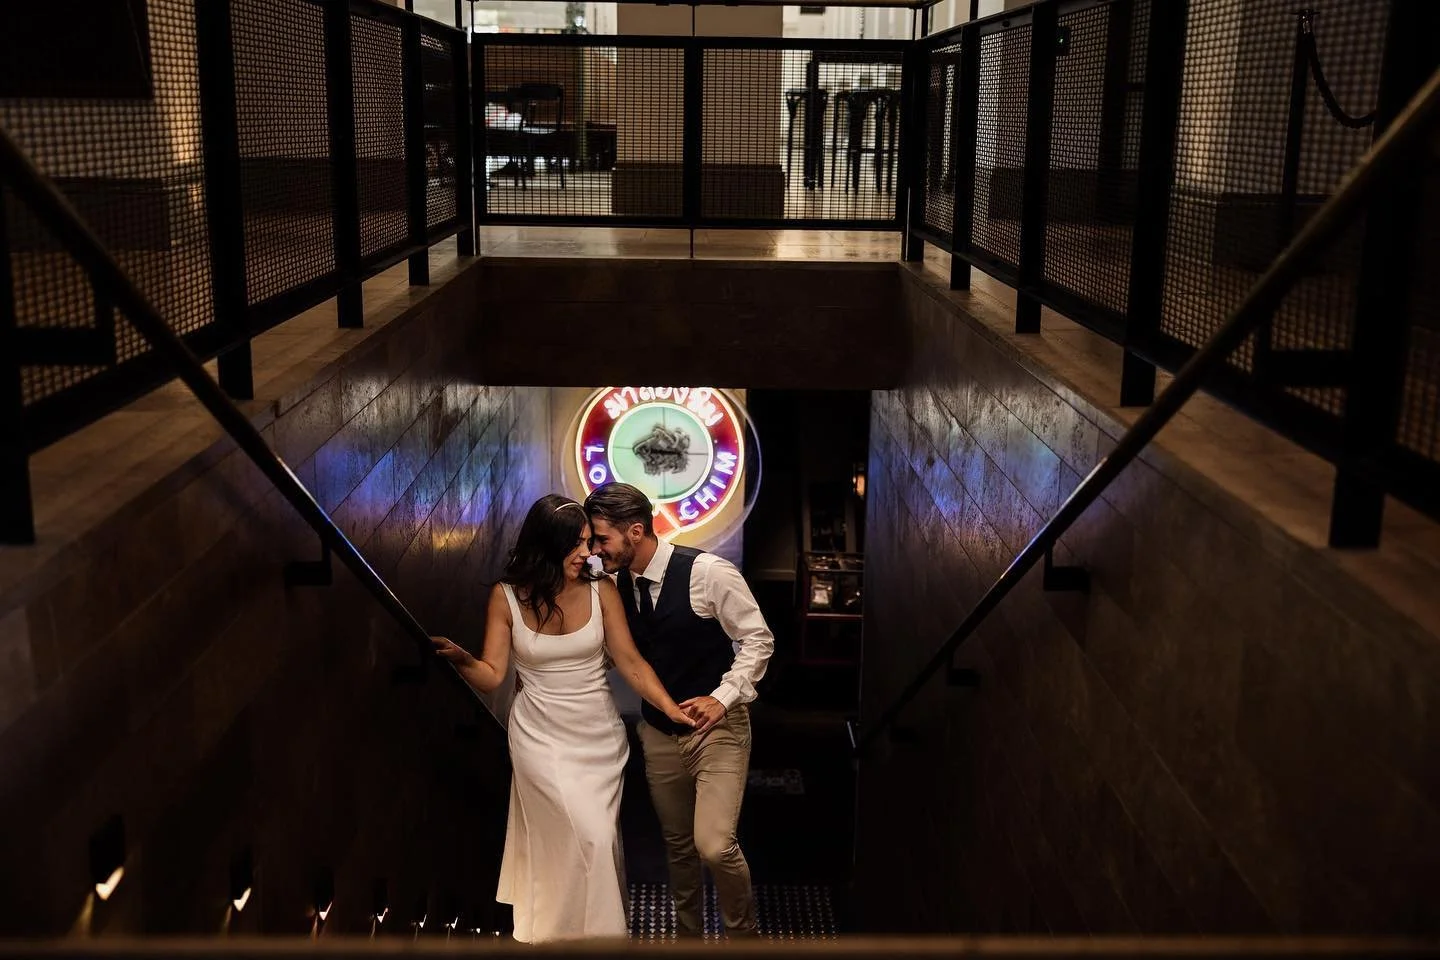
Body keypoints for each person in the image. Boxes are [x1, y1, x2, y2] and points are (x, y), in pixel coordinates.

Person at [431, 494, 695, 943]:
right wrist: (460, 658)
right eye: (578, 544)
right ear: (549, 545)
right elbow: (493, 676)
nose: (589, 552)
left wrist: (672, 709)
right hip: (539, 739)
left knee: (597, 841)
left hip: (598, 741)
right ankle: (567, 937)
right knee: (578, 840)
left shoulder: (602, 590)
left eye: (591, 542)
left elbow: (630, 662)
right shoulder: (506, 597)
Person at [584, 482, 776, 939]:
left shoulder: (708, 573)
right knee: (678, 847)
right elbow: (622, 652)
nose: (595, 549)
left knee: (713, 844)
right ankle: (689, 938)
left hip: (718, 730)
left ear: (635, 531)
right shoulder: (613, 584)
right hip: (658, 734)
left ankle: (744, 938)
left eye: (601, 539)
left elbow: (757, 639)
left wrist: (723, 695)